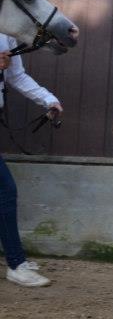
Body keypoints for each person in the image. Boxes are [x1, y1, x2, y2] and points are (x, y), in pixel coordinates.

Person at [0, 38, 63, 287]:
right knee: (5, 190)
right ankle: (16, 264)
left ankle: (17, 261)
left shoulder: (6, 31)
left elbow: (16, 76)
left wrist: (48, 99)